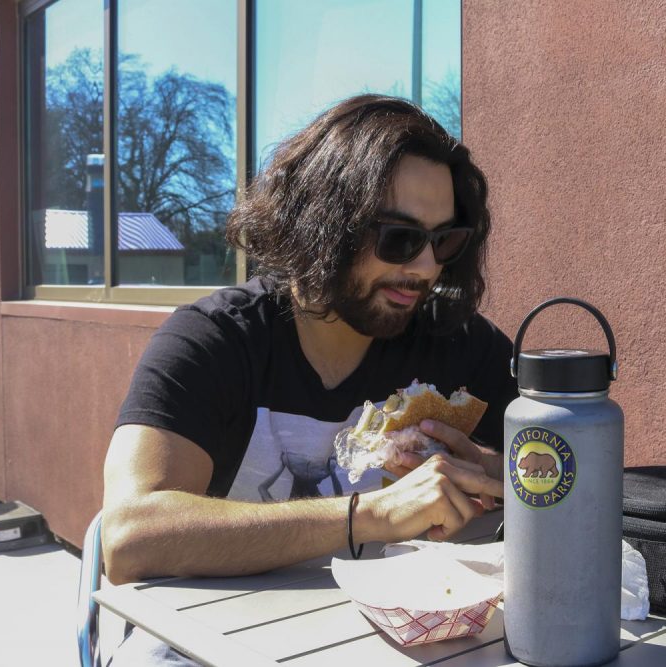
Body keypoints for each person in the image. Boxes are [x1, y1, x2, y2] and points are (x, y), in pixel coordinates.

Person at [101, 95, 517, 664]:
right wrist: (370, 515)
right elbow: (130, 537)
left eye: (444, 241)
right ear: (323, 224)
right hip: (207, 644)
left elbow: (570, 488)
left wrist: (502, 479)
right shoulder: (214, 342)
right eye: (399, 238)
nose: (424, 267)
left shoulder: (464, 348)